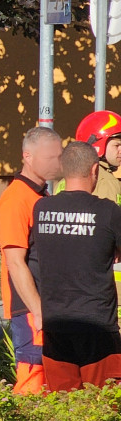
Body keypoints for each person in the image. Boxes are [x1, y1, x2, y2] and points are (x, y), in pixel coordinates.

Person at [32, 141, 121, 391]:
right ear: (95, 170)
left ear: (62, 168)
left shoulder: (41, 209)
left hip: (55, 322)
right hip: (97, 324)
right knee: (104, 406)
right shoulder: (108, 212)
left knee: (63, 406)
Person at [0, 126, 63, 395]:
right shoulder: (16, 199)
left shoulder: (41, 196)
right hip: (29, 308)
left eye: (59, 156)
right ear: (28, 156)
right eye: (50, 157)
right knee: (32, 377)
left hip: (44, 305)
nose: (56, 163)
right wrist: (38, 311)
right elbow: (15, 262)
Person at [73, 111, 121, 303]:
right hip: (105, 280)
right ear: (98, 144)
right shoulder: (107, 181)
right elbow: (109, 231)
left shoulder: (71, 178)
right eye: (117, 145)